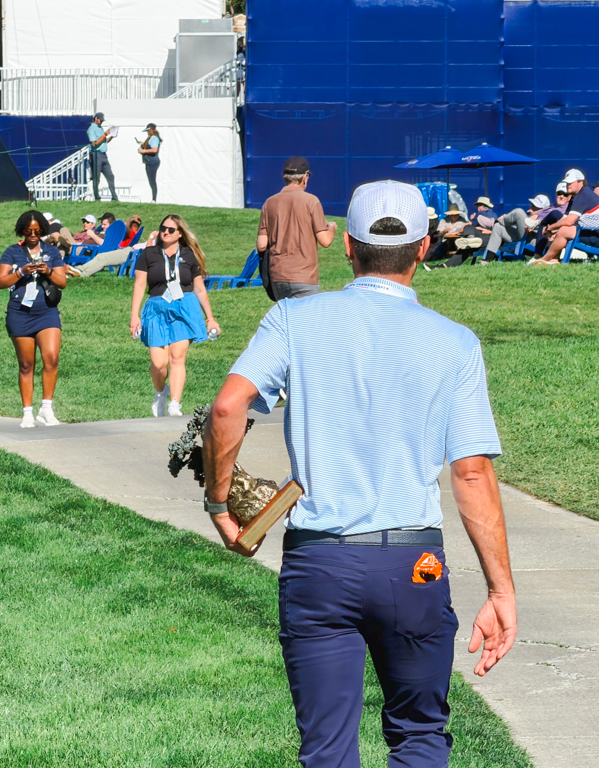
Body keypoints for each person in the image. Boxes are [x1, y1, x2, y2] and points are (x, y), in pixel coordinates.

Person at [203, 179, 516, 768]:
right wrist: (500, 590)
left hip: (319, 563)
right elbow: (472, 473)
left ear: (346, 246)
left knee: (327, 749)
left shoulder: (293, 318)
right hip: (413, 563)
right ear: (424, 248)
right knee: (420, 736)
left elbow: (226, 408)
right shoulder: (456, 342)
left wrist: (220, 504)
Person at [130, 214, 219, 418]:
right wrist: (134, 316)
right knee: (159, 364)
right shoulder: (149, 254)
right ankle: (161, 392)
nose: (166, 232)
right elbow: (140, 285)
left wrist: (210, 318)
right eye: (163, 228)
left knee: (177, 357)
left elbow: (199, 288)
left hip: (184, 307)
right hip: (156, 308)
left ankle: (175, 404)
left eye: (171, 230)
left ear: (180, 234)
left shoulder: (189, 255)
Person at [0, 210, 67, 429]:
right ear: (22, 231)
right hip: (20, 313)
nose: (33, 235)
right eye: (29, 231)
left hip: (46, 312)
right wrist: (21, 272)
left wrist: (48, 271)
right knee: (26, 365)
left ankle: (46, 408)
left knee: (51, 358)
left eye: (37, 231)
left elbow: (62, 282)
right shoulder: (12, 252)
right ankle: (27, 412)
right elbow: (1, 282)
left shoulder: (51, 251)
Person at [257, 156, 337, 299]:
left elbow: (262, 245)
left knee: (286, 312)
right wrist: (331, 228)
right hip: (304, 276)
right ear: (305, 177)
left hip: (277, 275)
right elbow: (325, 241)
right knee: (305, 313)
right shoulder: (311, 201)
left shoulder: (269, 203)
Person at [536, 168, 599, 265]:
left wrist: (550, 228)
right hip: (591, 232)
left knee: (564, 231)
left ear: (580, 182)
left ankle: (544, 260)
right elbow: (565, 219)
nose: (568, 185)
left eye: (570, 182)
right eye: (567, 183)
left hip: (597, 235)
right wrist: (554, 230)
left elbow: (569, 221)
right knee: (561, 229)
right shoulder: (577, 196)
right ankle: (553, 260)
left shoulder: (584, 195)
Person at [483, 196, 540, 262]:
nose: (530, 209)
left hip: (534, 239)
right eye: (531, 206)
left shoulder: (546, 215)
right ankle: (488, 259)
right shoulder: (530, 214)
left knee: (519, 212)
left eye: (534, 208)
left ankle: (500, 221)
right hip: (523, 236)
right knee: (498, 226)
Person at [87, 112, 118, 202]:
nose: (101, 122)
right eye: (100, 120)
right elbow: (95, 143)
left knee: (110, 176)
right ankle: (97, 198)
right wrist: (104, 135)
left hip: (104, 155)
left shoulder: (100, 128)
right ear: (96, 118)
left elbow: (103, 141)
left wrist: (112, 136)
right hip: (96, 154)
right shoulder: (91, 129)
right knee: (96, 178)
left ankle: (114, 197)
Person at [138, 123, 162, 203]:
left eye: (149, 131)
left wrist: (143, 151)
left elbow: (154, 150)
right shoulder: (151, 138)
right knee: (151, 180)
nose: (148, 132)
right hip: (149, 161)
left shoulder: (154, 138)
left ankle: (154, 199)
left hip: (152, 161)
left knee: (152, 181)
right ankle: (153, 199)